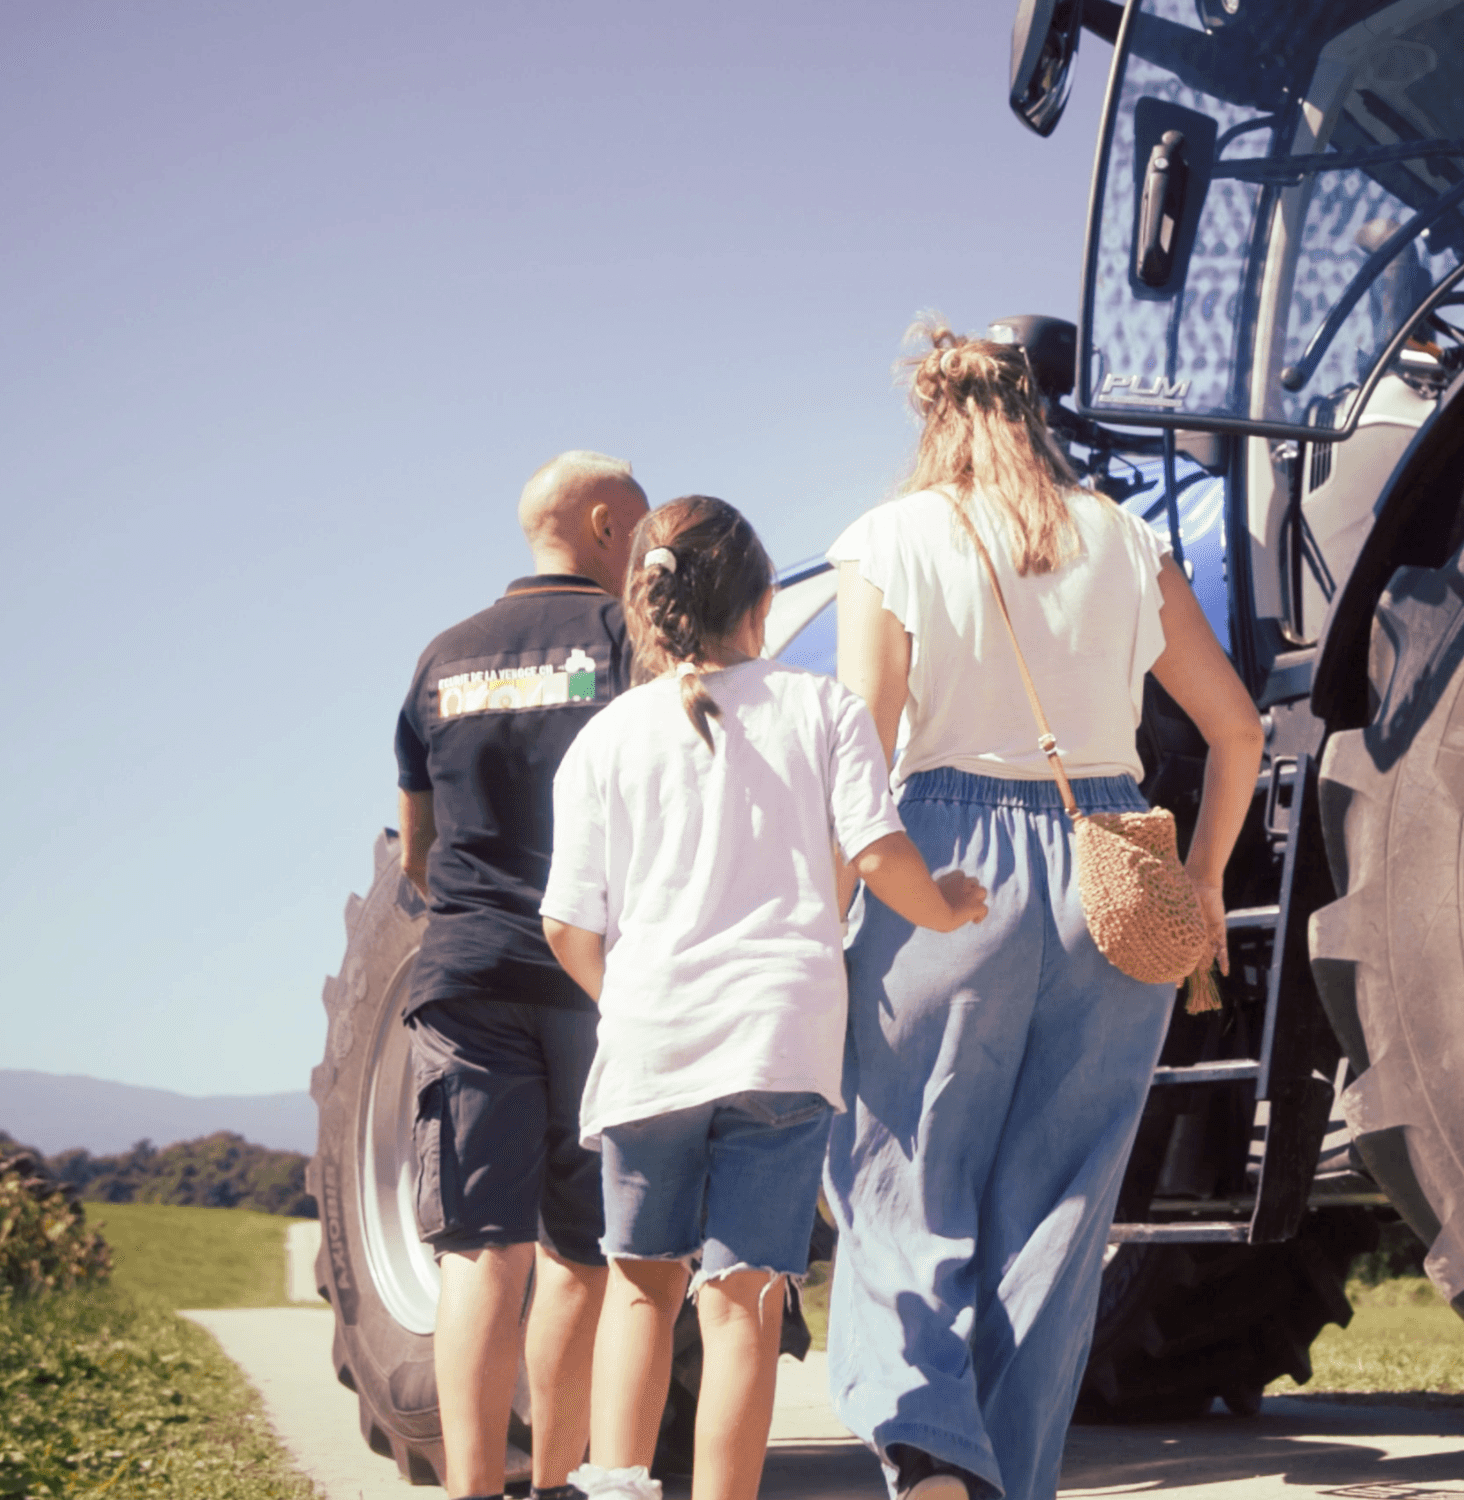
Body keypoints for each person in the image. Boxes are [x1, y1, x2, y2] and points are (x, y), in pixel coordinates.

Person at [821, 322, 1264, 1500]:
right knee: (1061, 1214)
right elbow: (1237, 730)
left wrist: (826, 910)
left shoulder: (888, 541)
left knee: (899, 1174)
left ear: (935, 417)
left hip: (944, 858)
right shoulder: (1130, 539)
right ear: (1036, 416)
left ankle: (927, 1450)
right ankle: (1005, 1479)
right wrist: (1205, 884)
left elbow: (862, 739)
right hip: (1112, 867)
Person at [539, 495, 991, 1500]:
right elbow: (877, 855)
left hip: (653, 1042)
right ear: (763, 602)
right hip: (781, 1040)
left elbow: (568, 926)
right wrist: (950, 906)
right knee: (741, 1302)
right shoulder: (821, 707)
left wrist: (632, 1003)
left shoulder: (607, 739)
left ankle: (616, 1487)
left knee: (639, 1288)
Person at [393, 451, 644, 1500]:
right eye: (636, 527)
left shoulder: (442, 656)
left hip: (472, 974)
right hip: (593, 979)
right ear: (599, 521)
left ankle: (471, 1490)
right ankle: (555, 1482)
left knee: (481, 1249)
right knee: (583, 1255)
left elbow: (416, 849)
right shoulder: (625, 641)